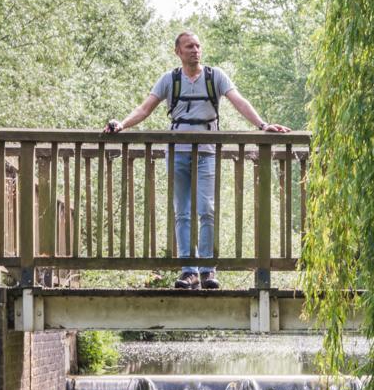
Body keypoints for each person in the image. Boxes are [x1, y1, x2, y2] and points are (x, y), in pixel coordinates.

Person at [105, 31, 286, 289]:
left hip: (207, 153)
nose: (195, 50)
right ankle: (188, 271)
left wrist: (263, 125)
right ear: (177, 51)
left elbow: (239, 101)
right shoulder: (170, 79)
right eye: (189, 46)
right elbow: (145, 108)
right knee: (182, 213)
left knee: (207, 210)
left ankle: (208, 271)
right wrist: (121, 124)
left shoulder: (216, 77)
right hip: (177, 152)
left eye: (198, 46)